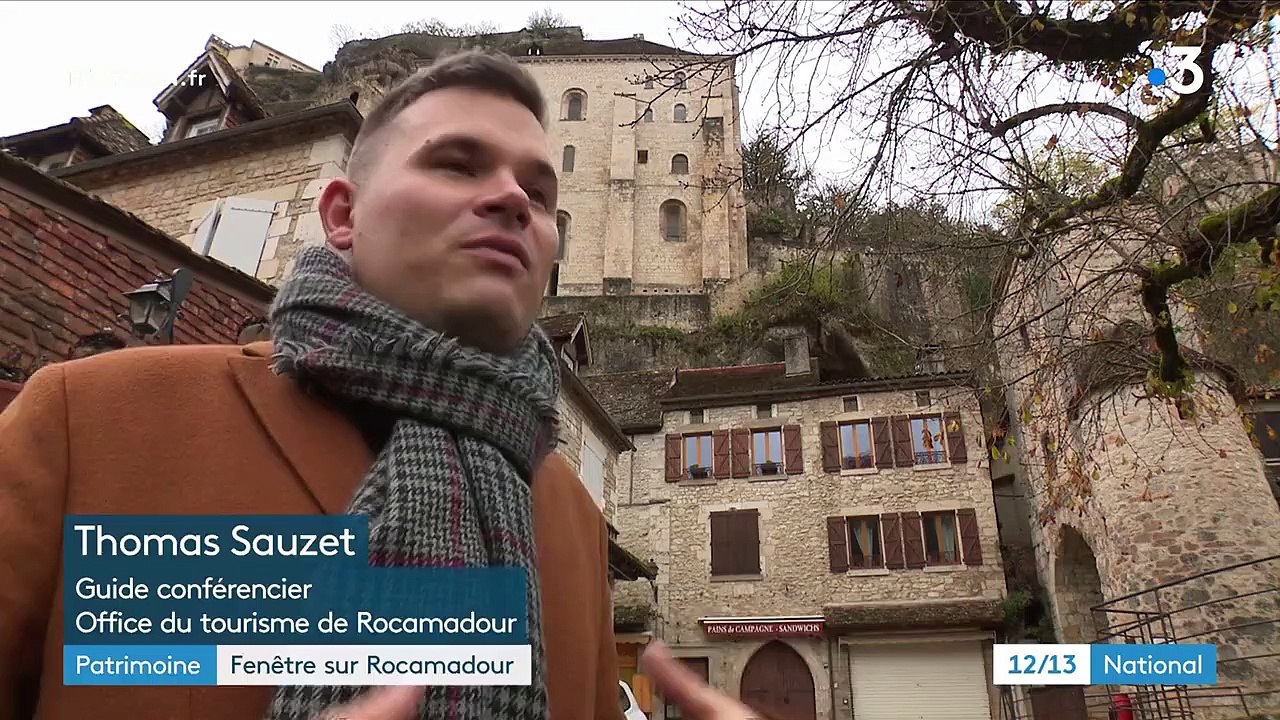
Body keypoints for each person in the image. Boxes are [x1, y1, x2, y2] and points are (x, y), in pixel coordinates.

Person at [0, 49, 755, 720]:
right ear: (341, 214)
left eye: (538, 189)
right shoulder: (100, 421)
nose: (512, 200)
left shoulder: (569, 516)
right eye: (457, 164)